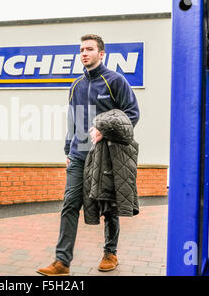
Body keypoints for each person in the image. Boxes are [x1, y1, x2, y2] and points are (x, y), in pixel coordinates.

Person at [36, 34, 140, 276]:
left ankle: (110, 252)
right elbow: (72, 122)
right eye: (81, 49)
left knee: (108, 205)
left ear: (101, 54)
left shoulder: (115, 81)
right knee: (70, 204)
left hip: (106, 155)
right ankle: (62, 262)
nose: (84, 53)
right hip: (79, 155)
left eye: (89, 49)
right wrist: (67, 151)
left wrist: (105, 128)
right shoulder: (76, 86)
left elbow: (132, 114)